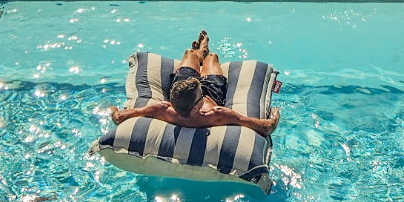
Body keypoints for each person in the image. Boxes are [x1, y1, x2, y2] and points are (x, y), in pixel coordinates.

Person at [108, 30, 280, 136]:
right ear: (197, 107)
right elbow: (265, 128)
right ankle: (206, 54)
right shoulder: (217, 114)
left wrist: (112, 107)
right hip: (212, 92)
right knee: (213, 58)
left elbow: (118, 117)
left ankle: (200, 51)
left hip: (184, 83)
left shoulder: (163, 109)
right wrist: (274, 116)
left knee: (189, 53)